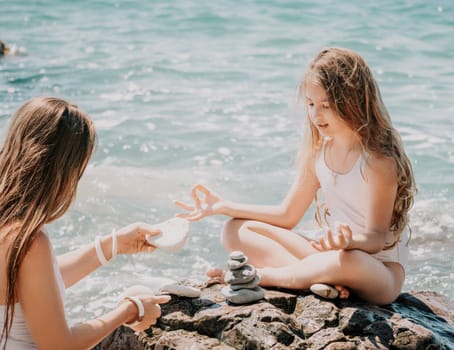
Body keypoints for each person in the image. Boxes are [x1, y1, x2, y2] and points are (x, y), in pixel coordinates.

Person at [175, 47, 416, 305]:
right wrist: (225, 207)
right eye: (311, 104)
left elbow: (377, 239)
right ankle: (321, 280)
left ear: (354, 101)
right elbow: (287, 215)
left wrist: (349, 242)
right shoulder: (319, 154)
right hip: (331, 256)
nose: (316, 115)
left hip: (377, 271)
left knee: (347, 261)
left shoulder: (379, 160)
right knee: (235, 229)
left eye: (326, 105)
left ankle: (266, 277)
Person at [0, 97, 171, 349]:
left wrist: (112, 245)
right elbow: (60, 346)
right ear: (63, 169)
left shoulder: (9, 224)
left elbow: (36, 286)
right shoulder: (29, 242)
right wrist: (129, 310)